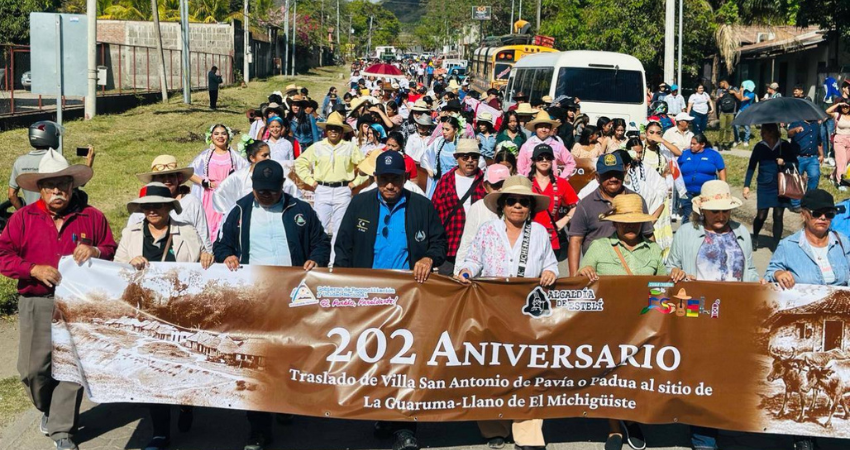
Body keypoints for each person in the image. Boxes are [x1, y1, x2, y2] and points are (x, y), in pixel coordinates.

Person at [0, 150, 117, 450]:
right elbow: (3, 255)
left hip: (78, 304)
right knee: (32, 370)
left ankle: (62, 429)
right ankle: (48, 409)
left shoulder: (91, 217)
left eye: (63, 184)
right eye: (50, 185)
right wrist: (32, 269)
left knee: (72, 366)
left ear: (72, 186)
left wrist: (96, 252)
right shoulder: (23, 218)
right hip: (37, 302)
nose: (57, 191)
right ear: (39, 189)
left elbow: (111, 248)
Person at [214, 159, 330, 450]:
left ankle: (286, 402)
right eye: (260, 190)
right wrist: (227, 255)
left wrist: (316, 258)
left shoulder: (299, 210)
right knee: (258, 362)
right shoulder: (240, 211)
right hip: (254, 297)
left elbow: (321, 242)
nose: (265, 196)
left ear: (282, 187)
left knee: (289, 356)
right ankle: (258, 429)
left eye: (271, 191)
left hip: (292, 298)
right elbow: (221, 245)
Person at [455, 176, 554, 450]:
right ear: (503, 205)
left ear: (531, 206)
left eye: (524, 202)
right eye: (512, 201)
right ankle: (493, 428)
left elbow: (551, 264)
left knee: (529, 372)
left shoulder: (540, 233)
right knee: (492, 370)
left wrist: (549, 272)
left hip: (528, 314)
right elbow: (473, 259)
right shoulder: (487, 230)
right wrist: (466, 271)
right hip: (491, 310)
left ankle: (528, 433)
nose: (518, 207)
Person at [115, 182, 213, 450]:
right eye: (147, 206)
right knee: (154, 369)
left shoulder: (187, 231)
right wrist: (129, 263)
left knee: (181, 367)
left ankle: (185, 403)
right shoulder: (131, 233)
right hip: (145, 314)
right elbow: (115, 269)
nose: (152, 210)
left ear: (170, 207)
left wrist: (207, 257)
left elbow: (203, 263)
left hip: (181, 314)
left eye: (157, 205)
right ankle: (160, 433)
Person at [568, 152, 654, 276]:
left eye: (617, 174)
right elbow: (575, 241)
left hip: (633, 270)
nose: (613, 179)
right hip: (596, 274)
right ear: (597, 177)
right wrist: (573, 278)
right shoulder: (586, 204)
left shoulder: (636, 200)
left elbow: (648, 235)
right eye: (607, 175)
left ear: (624, 174)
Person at [295, 112, 367, 242]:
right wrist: (310, 181)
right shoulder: (317, 147)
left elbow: (365, 167)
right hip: (322, 189)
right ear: (326, 130)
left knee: (340, 229)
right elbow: (300, 163)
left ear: (342, 131)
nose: (333, 131)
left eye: (337, 128)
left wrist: (355, 183)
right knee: (319, 226)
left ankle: (335, 261)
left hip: (343, 190)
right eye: (330, 128)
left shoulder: (350, 148)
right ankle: (318, 258)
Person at [130, 155, 212, 252]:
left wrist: (207, 255)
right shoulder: (142, 206)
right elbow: (130, 239)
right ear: (153, 181)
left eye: (171, 175)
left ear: (179, 179)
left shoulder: (192, 203)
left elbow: (203, 236)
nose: (167, 180)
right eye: (161, 176)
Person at [431, 139, 488, 274]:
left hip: (478, 246)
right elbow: (434, 211)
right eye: (465, 157)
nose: (470, 160)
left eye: (474, 157)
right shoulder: (445, 180)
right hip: (450, 244)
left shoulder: (485, 181)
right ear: (456, 158)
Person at [189, 124, 249, 241]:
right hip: (209, 197)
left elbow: (246, 173)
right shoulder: (205, 156)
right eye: (216, 134)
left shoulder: (235, 157)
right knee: (208, 224)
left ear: (228, 136)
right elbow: (190, 173)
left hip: (227, 197)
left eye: (223, 133)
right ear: (211, 137)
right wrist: (205, 183)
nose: (220, 136)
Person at [743, 123, 799, 249]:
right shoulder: (759, 146)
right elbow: (752, 166)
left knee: (778, 216)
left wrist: (784, 162)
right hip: (764, 185)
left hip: (781, 184)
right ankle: (755, 236)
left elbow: (795, 163)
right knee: (761, 215)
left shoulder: (784, 145)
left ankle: (776, 244)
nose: (761, 135)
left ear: (772, 132)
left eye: (764, 133)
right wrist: (746, 185)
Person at [214, 140, 298, 214]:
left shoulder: (274, 174)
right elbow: (219, 193)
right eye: (264, 155)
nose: (268, 158)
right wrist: (232, 214)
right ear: (252, 158)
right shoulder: (240, 176)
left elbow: (293, 190)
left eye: (269, 155)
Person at [454, 164, 510, 275]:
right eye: (495, 185)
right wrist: (458, 271)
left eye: (504, 184)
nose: (500, 189)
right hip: (483, 276)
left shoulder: (519, 209)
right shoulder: (478, 208)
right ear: (485, 186)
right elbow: (467, 241)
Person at [529, 144, 578, 261]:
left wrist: (564, 220)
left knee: (549, 276)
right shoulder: (525, 182)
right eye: (540, 158)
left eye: (548, 157)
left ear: (552, 161)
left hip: (552, 239)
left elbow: (577, 205)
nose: (544, 160)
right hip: (528, 238)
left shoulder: (561, 183)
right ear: (534, 161)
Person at [623, 144, 672, 258]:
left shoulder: (644, 174)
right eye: (636, 153)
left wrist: (648, 223)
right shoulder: (611, 182)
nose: (638, 156)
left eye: (640, 152)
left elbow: (660, 203)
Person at [9, 121, 59, 209]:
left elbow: (11, 194)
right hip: (53, 216)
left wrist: (23, 213)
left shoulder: (20, 162)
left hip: (31, 217)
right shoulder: (55, 159)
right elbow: (72, 187)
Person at [677, 134, 726, 221]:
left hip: (706, 193)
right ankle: (686, 233)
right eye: (691, 143)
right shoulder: (685, 154)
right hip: (687, 192)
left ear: (702, 144)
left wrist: (723, 186)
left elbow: (721, 169)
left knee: (706, 216)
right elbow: (676, 169)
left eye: (694, 144)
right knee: (688, 216)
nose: (691, 146)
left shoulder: (713, 155)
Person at [517, 111, 576, 179]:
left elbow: (571, 163)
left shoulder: (557, 146)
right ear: (535, 129)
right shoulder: (527, 145)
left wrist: (561, 179)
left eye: (546, 127)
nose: (543, 130)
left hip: (551, 183)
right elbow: (521, 167)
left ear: (550, 129)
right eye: (540, 127)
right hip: (531, 184)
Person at [787, 116, 823, 200]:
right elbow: (789, 134)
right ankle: (795, 202)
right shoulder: (796, 122)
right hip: (799, 157)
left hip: (812, 157)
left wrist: (821, 154)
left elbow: (819, 141)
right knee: (797, 180)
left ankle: (809, 199)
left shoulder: (816, 125)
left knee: (815, 176)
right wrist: (795, 130)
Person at [825, 100, 850, 191]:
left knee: (844, 162)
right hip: (839, 139)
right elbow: (827, 111)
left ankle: (832, 176)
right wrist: (839, 104)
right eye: (843, 106)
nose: (845, 108)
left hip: (849, 140)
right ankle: (840, 183)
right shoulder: (837, 115)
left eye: (847, 106)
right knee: (842, 162)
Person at [732, 81, 756, 148]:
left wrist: (741, 92)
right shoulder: (745, 92)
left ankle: (746, 140)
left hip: (748, 111)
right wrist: (736, 92)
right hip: (741, 110)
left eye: (743, 86)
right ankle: (737, 140)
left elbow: (742, 99)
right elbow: (739, 97)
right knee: (736, 125)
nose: (742, 87)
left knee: (746, 126)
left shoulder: (752, 94)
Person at [715, 80, 738, 151]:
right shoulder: (719, 90)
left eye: (720, 83)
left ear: (724, 82)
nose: (720, 85)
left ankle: (726, 143)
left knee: (729, 128)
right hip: (722, 112)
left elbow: (740, 97)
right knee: (722, 127)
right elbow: (716, 101)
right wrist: (719, 97)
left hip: (731, 112)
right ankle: (720, 143)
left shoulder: (734, 88)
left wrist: (734, 92)